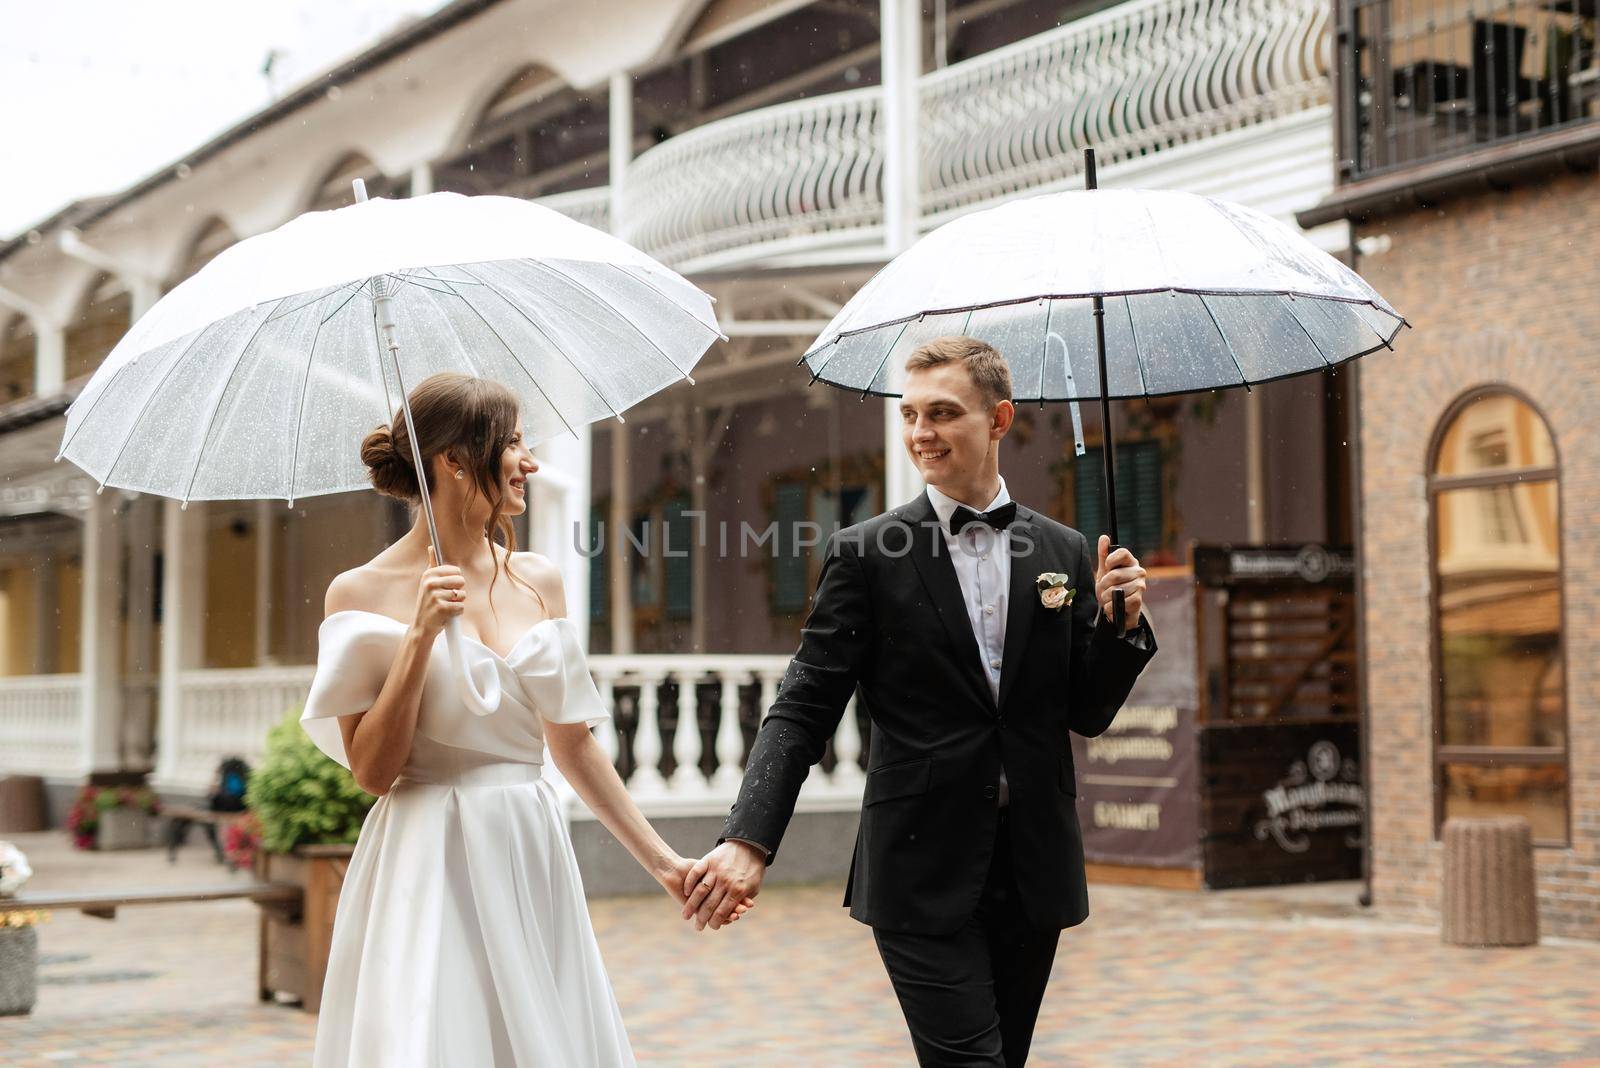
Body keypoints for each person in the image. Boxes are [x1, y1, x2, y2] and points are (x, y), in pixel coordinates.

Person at [683, 336, 1157, 1067]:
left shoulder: (1063, 552)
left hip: (1033, 866)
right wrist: (748, 839)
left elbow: (1086, 713)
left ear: (999, 420)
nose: (919, 434)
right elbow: (804, 707)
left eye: (942, 413)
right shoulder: (866, 554)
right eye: (909, 415)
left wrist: (1122, 629)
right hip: (917, 861)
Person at [300, 372, 747, 1067]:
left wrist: (664, 864)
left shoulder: (539, 578)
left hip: (529, 844)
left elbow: (573, 746)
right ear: (452, 460)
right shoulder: (359, 592)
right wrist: (418, 638)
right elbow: (372, 771)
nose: (530, 461)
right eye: (512, 443)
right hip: (430, 853)